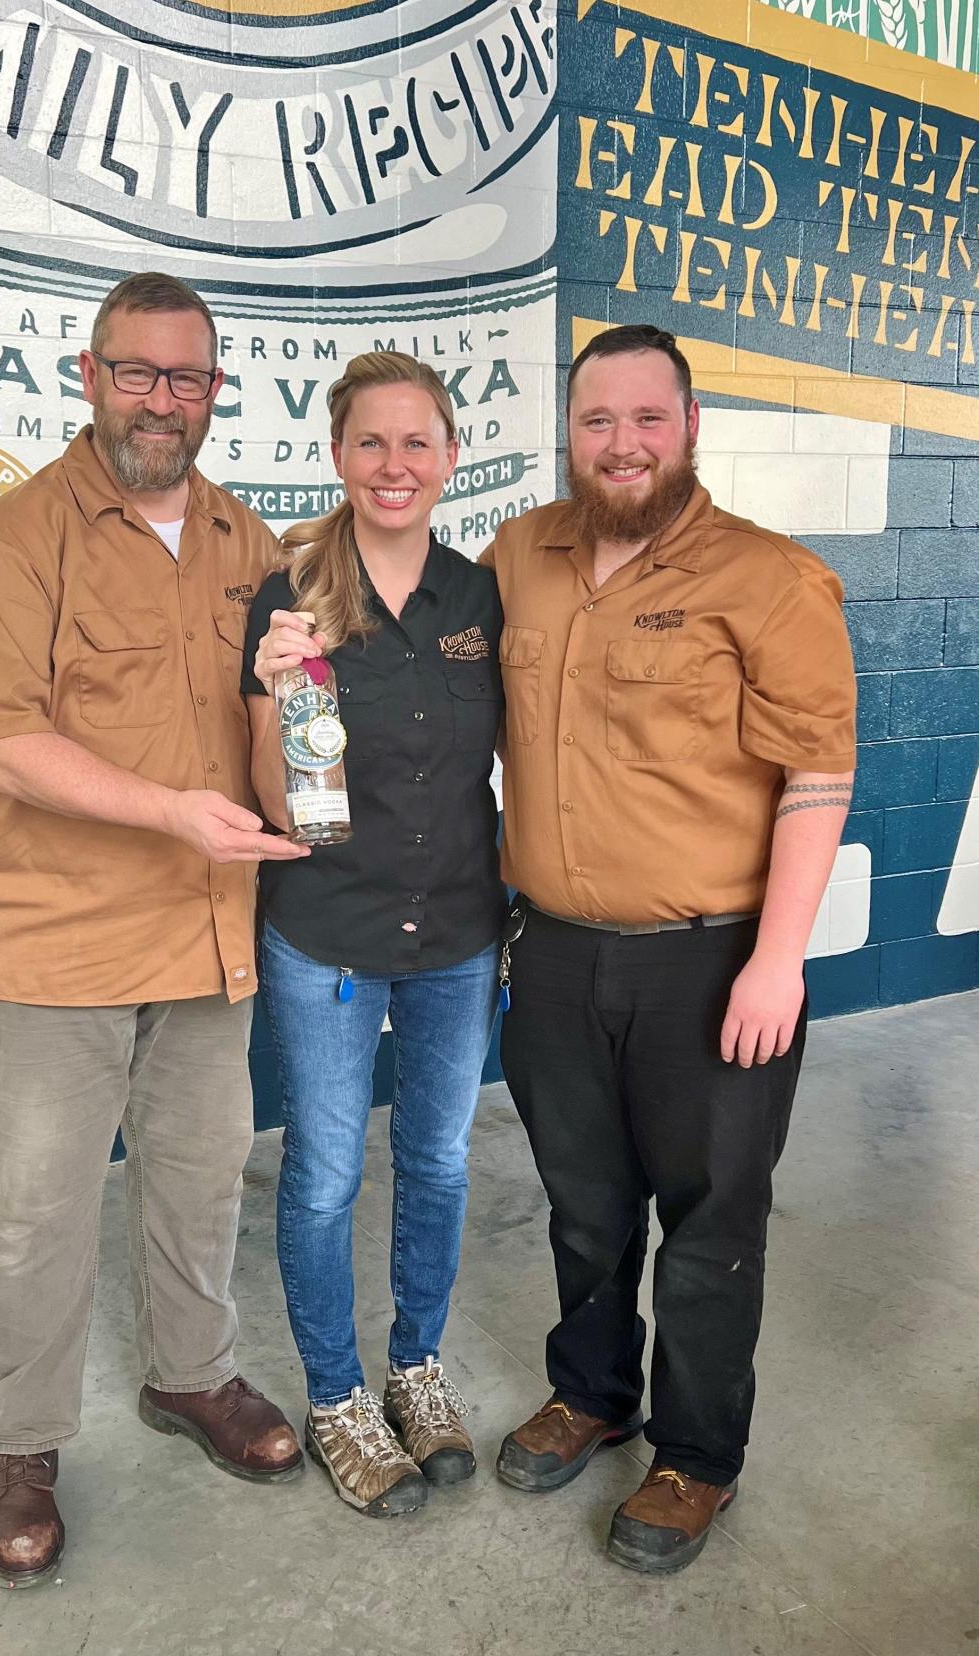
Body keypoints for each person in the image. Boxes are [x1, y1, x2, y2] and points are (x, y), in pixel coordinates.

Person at [0, 272, 309, 1589]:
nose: (161, 399)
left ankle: (189, 1378)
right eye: (136, 372)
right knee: (36, 1212)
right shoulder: (15, 539)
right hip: (47, 945)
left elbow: (277, 719)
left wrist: (301, 766)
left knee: (202, 1181)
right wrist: (171, 812)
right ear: (86, 378)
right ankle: (20, 1445)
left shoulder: (248, 542)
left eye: (185, 377)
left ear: (215, 393)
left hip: (205, 938)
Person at [484, 324, 856, 1573]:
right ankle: (593, 1396)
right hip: (553, 955)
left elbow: (817, 771)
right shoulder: (516, 557)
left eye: (648, 418)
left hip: (714, 964)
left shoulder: (770, 578)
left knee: (709, 1223)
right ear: (569, 433)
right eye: (598, 421)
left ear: (690, 427)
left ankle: (697, 1458)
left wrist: (779, 959)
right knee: (585, 1209)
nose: (623, 442)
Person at [241, 352, 505, 1517]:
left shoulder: (479, 598)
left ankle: (416, 1369)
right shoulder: (290, 591)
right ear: (336, 455)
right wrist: (272, 684)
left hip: (457, 926)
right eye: (370, 442)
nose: (394, 465)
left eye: (417, 443)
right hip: (328, 932)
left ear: (451, 456)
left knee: (440, 1162)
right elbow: (270, 795)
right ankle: (340, 1395)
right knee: (328, 1176)